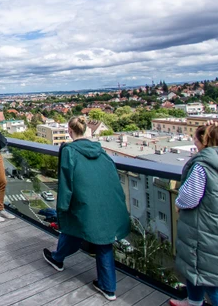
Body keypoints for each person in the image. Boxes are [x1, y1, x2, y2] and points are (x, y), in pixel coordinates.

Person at [42, 116, 129, 301]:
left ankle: (58, 259)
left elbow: (66, 181)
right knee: (102, 241)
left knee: (74, 228)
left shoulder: (69, 151)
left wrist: (62, 207)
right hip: (106, 202)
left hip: (84, 202)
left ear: (70, 131)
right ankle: (108, 287)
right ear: (86, 130)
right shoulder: (101, 151)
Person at [171, 125, 218, 306]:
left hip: (203, 225)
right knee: (197, 269)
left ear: (203, 141)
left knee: (209, 278)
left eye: (195, 138)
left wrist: (178, 204)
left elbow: (190, 196)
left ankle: (198, 302)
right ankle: (193, 301)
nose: (193, 141)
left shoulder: (203, 164)